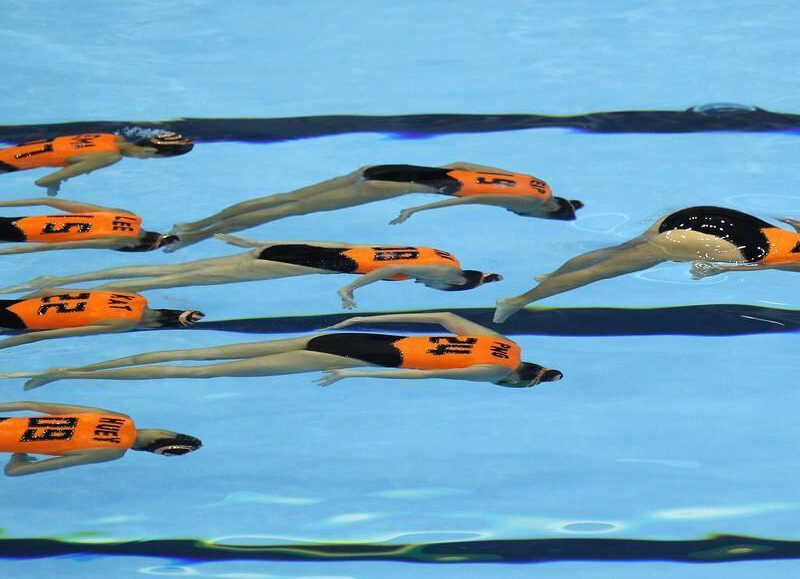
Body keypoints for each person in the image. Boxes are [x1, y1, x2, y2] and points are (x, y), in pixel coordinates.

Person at [2, 312, 563, 391]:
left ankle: (69, 360)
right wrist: (350, 377)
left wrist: (356, 319)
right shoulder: (492, 369)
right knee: (201, 373)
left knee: (195, 355)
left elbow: (439, 318)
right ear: (515, 379)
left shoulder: (502, 343)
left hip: (349, 337)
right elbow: (419, 379)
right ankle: (65, 370)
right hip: (350, 358)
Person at [0, 234, 502, 309]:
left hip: (294, 250)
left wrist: (257, 241)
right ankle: (49, 287)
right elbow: (356, 264)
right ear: (453, 279)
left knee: (178, 272)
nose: (435, 286)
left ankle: (56, 283)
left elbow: (346, 242)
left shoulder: (427, 258)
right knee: (177, 281)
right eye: (443, 286)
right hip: (298, 262)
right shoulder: (434, 265)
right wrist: (350, 287)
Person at [167, 162, 583, 250]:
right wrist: (413, 207)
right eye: (526, 216)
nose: (519, 213)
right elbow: (467, 199)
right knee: (293, 210)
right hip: (399, 184)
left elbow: (461, 167)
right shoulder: (532, 199)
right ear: (548, 209)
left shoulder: (535, 181)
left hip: (389, 168)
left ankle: (197, 223)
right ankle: (197, 234)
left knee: (289, 197)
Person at [494, 206, 800, 322]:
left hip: (708, 217)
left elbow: (792, 224)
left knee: (621, 249)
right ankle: (516, 301)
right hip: (715, 241)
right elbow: (765, 264)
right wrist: (718, 268)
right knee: (601, 272)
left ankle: (552, 274)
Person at [0, 400, 201, 476]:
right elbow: (15, 471)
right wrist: (19, 454)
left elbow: (29, 404)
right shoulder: (111, 452)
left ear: (164, 433)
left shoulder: (119, 419)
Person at [0, 132, 193, 195]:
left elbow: (64, 152)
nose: (146, 159)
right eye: (151, 158)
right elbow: (42, 182)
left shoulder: (109, 138)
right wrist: (54, 182)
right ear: (149, 151)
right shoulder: (109, 156)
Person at [0, 290, 203, 349]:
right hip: (17, 319)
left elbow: (47, 291)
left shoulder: (133, 296)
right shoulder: (124, 323)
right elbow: (42, 336)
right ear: (156, 325)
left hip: (13, 305)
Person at [0, 197, 178, 254]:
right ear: (132, 247)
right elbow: (55, 245)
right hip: (15, 233)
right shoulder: (118, 241)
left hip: (15, 221)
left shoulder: (125, 215)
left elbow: (47, 201)